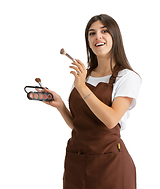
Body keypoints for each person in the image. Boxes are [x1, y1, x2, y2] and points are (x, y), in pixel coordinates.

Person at [37, 14, 141, 189]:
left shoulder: (127, 77)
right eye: (91, 33)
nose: (97, 37)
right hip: (76, 162)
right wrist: (61, 105)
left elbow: (111, 120)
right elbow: (80, 126)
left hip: (110, 165)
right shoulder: (84, 76)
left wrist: (82, 87)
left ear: (115, 36)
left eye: (104, 31)